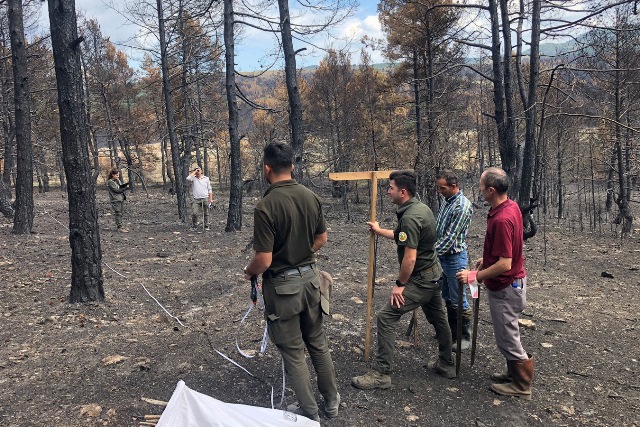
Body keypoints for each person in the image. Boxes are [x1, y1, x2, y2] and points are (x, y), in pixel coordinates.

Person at [243, 142, 339, 422]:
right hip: (311, 281)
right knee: (318, 343)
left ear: (267, 169)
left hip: (284, 290)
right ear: (292, 167)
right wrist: (301, 254)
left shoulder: (266, 206)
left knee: (294, 353)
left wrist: (250, 272)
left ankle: (309, 413)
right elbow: (321, 239)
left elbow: (264, 259)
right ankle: (331, 402)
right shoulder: (310, 196)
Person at [351, 170, 456, 391]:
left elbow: (410, 257)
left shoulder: (410, 217)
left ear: (403, 191)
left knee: (386, 317)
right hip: (433, 274)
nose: (388, 192)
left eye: (391, 188)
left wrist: (399, 286)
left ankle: (381, 374)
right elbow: (402, 235)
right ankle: (446, 364)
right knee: (439, 318)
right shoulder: (419, 208)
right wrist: (379, 231)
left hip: (421, 279)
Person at [456, 167, 533, 400]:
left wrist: (475, 276)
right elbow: (506, 251)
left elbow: (505, 263)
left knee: (507, 336)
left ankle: (521, 385)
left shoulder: (502, 218)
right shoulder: (510, 207)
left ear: (491, 190)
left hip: (506, 286)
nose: (479, 190)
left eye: (481, 186)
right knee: (508, 333)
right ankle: (513, 374)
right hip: (511, 283)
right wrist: (487, 259)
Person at [434, 170, 474, 350]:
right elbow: (439, 228)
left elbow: (450, 237)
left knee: (458, 297)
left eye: (443, 188)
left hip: (454, 257)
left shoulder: (462, 206)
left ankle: (465, 336)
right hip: (442, 255)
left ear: (453, 186)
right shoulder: (446, 201)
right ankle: (452, 332)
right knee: (447, 295)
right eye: (439, 188)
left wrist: (430, 254)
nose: (440, 191)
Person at [186, 166, 213, 231]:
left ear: (202, 171)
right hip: (196, 199)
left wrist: (211, 199)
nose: (198, 171)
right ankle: (194, 226)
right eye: (196, 170)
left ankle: (206, 226)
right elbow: (188, 178)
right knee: (194, 213)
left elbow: (209, 189)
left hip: (205, 198)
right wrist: (194, 171)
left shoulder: (206, 178)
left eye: (199, 170)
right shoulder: (193, 179)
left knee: (206, 213)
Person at [107, 167, 130, 232]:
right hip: (115, 199)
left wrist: (127, 184)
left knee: (121, 213)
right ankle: (119, 227)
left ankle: (121, 226)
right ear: (112, 175)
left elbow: (120, 186)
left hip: (121, 198)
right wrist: (126, 188)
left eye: (118, 175)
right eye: (116, 175)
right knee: (118, 213)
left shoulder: (117, 180)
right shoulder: (110, 182)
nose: (118, 176)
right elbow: (116, 190)